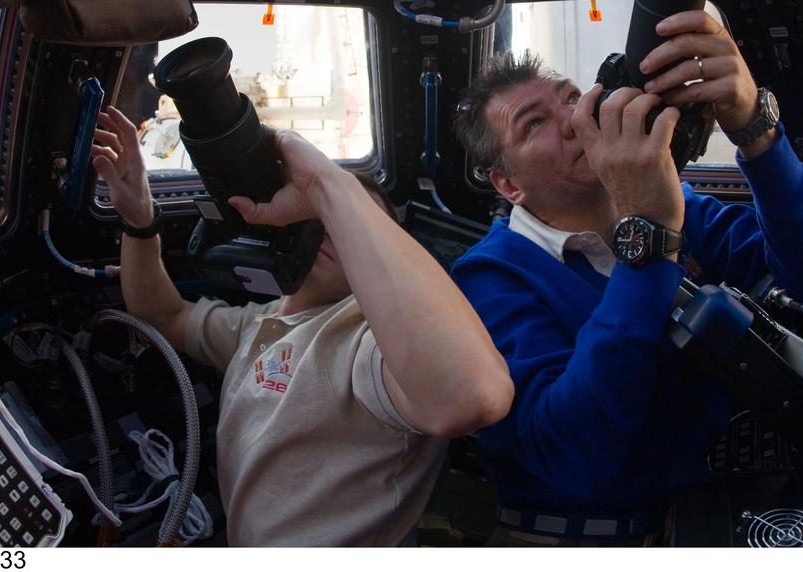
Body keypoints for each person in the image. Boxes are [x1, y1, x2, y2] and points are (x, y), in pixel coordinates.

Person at [450, 11, 803, 546]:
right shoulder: (487, 280)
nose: (571, 118)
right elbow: (577, 451)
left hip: (717, 507)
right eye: (534, 123)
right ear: (508, 183)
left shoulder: (684, 210)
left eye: (570, 97)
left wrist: (753, 128)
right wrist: (651, 239)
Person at [91, 106, 513, 546]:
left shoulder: (367, 344)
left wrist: (331, 187)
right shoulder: (261, 322)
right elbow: (163, 315)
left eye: (351, 227)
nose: (332, 229)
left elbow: (472, 397)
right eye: (322, 215)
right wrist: (140, 220)